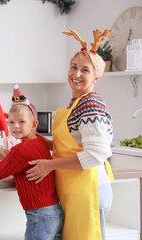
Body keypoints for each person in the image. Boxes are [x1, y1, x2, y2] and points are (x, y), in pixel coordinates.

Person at [26, 29, 115, 240]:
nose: (76, 74)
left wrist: (49, 165)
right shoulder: (77, 102)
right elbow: (70, 145)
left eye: (85, 70)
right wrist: (35, 141)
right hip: (76, 191)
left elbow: (95, 156)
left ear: (96, 76)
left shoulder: (91, 104)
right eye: (73, 67)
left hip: (90, 191)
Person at [0, 84, 63, 240]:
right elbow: (14, 164)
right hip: (54, 212)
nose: (15, 126)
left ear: (34, 125)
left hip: (39, 216)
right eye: (11, 122)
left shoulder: (21, 149)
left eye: (21, 122)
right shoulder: (39, 140)